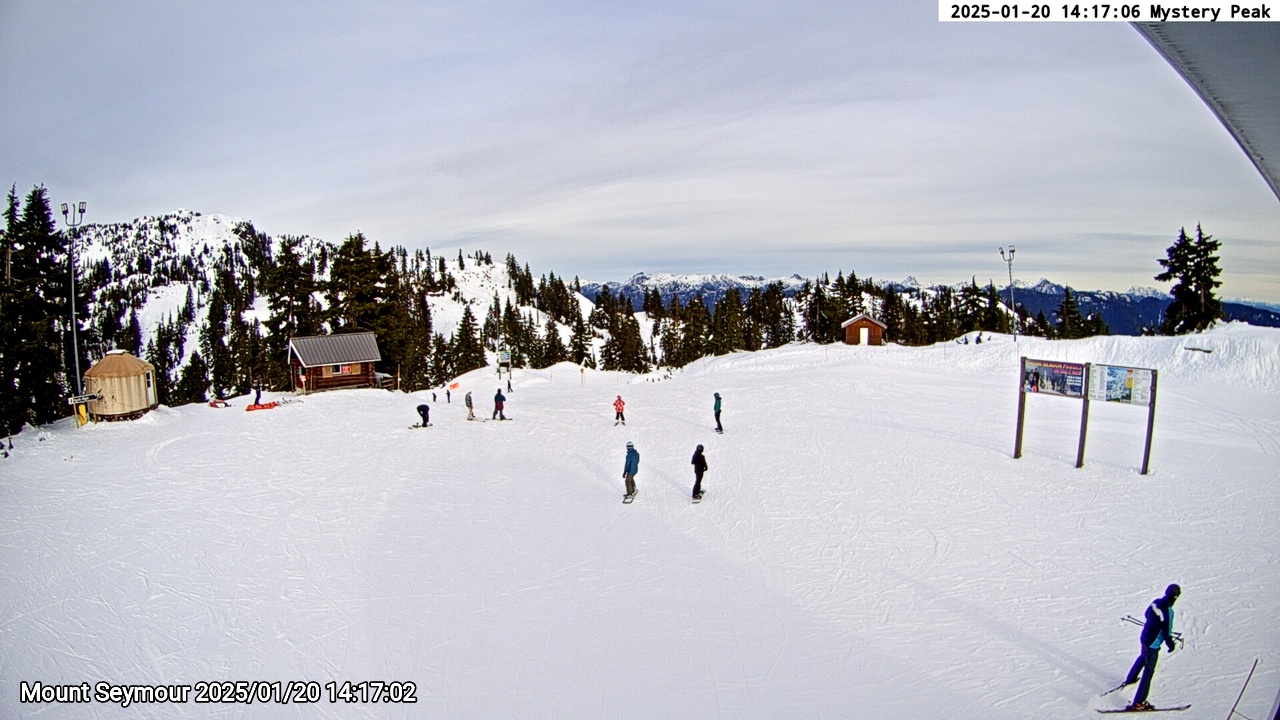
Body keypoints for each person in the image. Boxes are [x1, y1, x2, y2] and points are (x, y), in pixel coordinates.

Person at [1122, 583, 1182, 711]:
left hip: (1144, 637)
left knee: (1142, 656)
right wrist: (1170, 645)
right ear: (1175, 598)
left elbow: (1146, 614)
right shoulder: (1168, 612)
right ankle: (1139, 702)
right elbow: (1167, 632)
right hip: (1153, 644)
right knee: (1148, 672)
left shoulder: (1156, 602)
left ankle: (1130, 679)